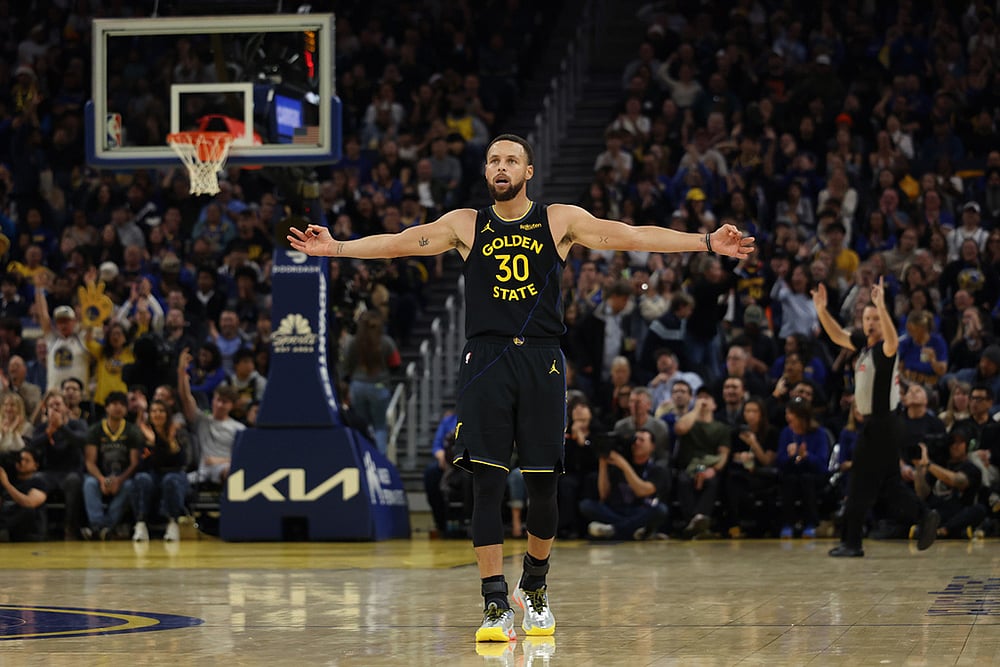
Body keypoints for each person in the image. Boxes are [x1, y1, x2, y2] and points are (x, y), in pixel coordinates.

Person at [288, 133, 753, 642]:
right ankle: (493, 602)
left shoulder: (559, 220)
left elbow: (631, 235)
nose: (501, 166)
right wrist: (334, 247)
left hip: (541, 357)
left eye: (511, 160)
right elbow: (401, 242)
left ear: (528, 172)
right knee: (484, 483)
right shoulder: (465, 224)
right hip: (486, 359)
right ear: (486, 172)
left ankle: (533, 586)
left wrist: (706, 242)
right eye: (493, 160)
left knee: (542, 484)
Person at [812, 277, 940, 557]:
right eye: (867, 318)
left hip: (882, 423)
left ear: (884, 323)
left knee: (859, 481)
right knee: (889, 484)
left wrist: (882, 306)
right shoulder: (864, 347)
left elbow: (893, 340)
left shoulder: (885, 351)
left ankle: (852, 543)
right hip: (882, 425)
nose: (870, 323)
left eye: (875, 319)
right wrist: (821, 310)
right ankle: (924, 515)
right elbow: (837, 336)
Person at [579, 429, 670, 541]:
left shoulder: (658, 470)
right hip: (616, 510)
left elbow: (642, 491)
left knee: (660, 510)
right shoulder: (617, 464)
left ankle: (613, 529)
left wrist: (624, 465)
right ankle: (634, 529)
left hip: (640, 510)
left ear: (652, 446)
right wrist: (602, 463)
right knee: (586, 505)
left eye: (642, 440)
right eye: (635, 439)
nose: (637, 443)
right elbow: (604, 495)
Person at [81, 391, 144, 540]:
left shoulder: (132, 431)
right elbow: (90, 461)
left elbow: (135, 463)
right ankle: (97, 525)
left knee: (130, 486)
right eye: (115, 404)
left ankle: (106, 526)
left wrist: (119, 480)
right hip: (100, 475)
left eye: (123, 405)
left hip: (123, 477)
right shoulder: (95, 430)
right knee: (89, 483)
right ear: (107, 407)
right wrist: (102, 479)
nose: (118, 408)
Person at [339, 310, 401, 455]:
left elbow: (345, 368)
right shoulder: (386, 342)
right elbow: (396, 364)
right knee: (380, 427)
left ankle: (363, 457)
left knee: (362, 426)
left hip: (357, 386)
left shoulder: (352, 342)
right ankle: (379, 460)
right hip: (379, 386)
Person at [673, 387, 731, 539]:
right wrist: (695, 410)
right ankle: (696, 524)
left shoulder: (721, 428)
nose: (703, 401)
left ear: (715, 405)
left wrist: (714, 469)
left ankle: (698, 520)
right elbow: (680, 428)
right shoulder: (689, 422)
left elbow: (723, 454)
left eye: (707, 398)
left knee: (712, 482)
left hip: (710, 467)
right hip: (689, 467)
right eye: (700, 397)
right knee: (684, 480)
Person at [29, 389, 87, 539]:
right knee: (37, 480)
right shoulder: (42, 428)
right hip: (50, 472)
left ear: (66, 407)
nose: (55, 408)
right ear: (46, 409)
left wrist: (62, 427)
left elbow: (81, 441)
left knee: (73, 481)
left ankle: (70, 526)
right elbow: (31, 447)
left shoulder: (78, 424)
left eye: (58, 404)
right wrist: (48, 433)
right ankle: (40, 528)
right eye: (51, 405)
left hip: (71, 471)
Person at [131, 399, 190, 542]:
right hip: (152, 473)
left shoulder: (178, 431)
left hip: (175, 473)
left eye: (161, 411)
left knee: (170, 480)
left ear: (168, 414)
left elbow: (181, 461)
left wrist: (167, 442)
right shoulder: (142, 433)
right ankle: (140, 524)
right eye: (154, 411)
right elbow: (143, 463)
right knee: (141, 479)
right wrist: (154, 443)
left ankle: (173, 523)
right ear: (149, 415)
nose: (157, 414)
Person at [913, 426, 987, 539]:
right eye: (952, 442)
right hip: (935, 512)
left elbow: (956, 481)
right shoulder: (939, 464)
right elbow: (922, 494)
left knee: (979, 510)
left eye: (960, 442)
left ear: (968, 445)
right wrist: (918, 467)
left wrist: (928, 465)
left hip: (957, 512)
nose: (955, 446)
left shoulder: (972, 468)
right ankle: (952, 531)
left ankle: (943, 531)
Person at [0, 448, 47, 542]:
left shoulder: (38, 482)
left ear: (35, 466)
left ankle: (4, 531)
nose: (22, 462)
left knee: (27, 510)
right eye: (20, 459)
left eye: (27, 460)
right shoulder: (11, 479)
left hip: (27, 528)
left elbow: (29, 503)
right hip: (7, 516)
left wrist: (7, 485)